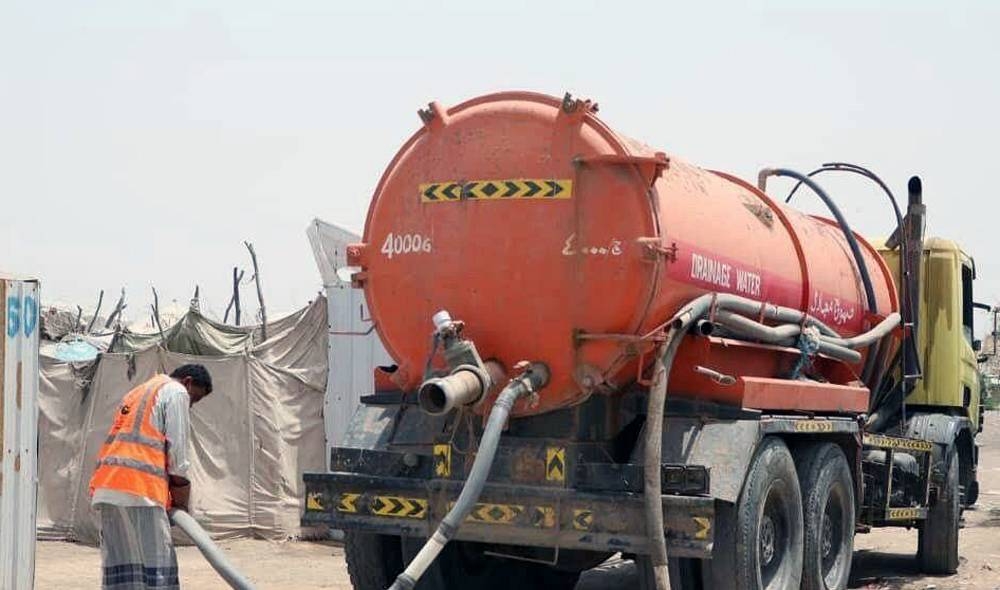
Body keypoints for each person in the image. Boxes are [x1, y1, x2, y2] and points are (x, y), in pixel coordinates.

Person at [89, 364, 213, 590]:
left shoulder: (137, 392)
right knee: (158, 565)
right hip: (141, 489)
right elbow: (178, 457)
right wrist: (181, 503)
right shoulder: (176, 392)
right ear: (187, 382)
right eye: (195, 399)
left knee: (123, 564)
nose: (191, 404)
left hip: (107, 487)